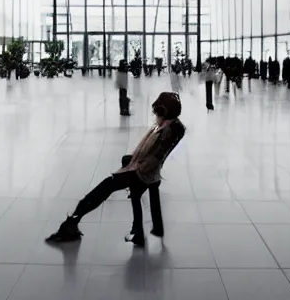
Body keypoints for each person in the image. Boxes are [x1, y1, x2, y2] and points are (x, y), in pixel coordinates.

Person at [46, 93, 186, 247]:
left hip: (141, 173)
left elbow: (156, 157)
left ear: (164, 111)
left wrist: (134, 169)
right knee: (129, 195)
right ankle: (138, 233)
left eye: (157, 111)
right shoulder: (166, 125)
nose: (155, 115)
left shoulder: (169, 130)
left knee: (103, 190)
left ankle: (71, 224)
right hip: (143, 171)